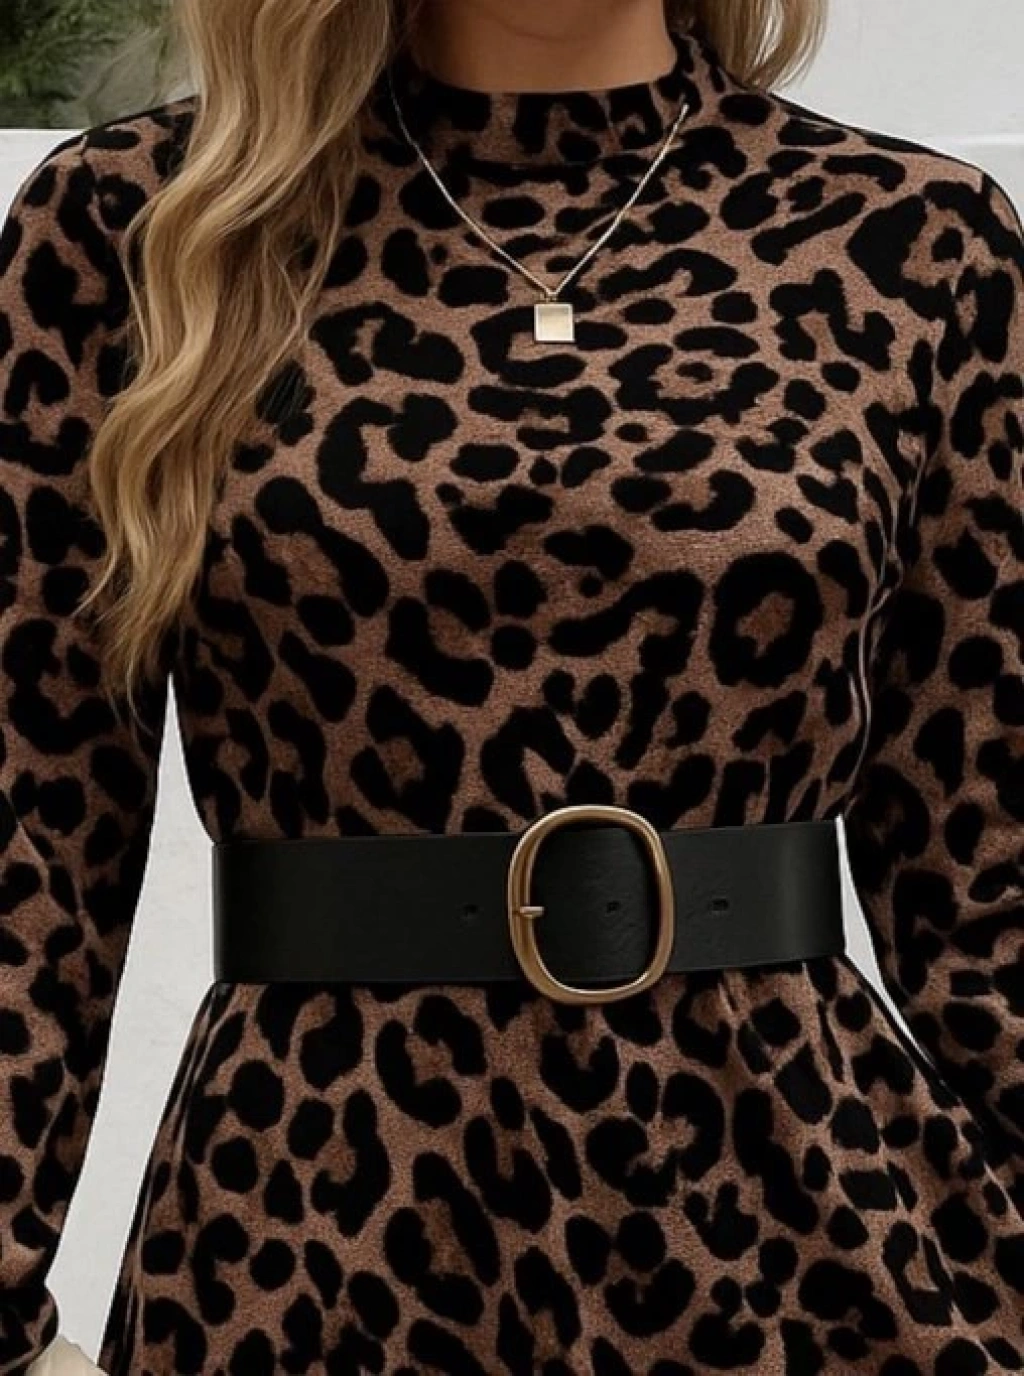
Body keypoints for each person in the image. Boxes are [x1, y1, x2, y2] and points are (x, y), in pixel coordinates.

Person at [1, 0, 1022, 1371]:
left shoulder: (915, 242)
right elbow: (29, 828)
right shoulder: (139, 228)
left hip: (807, 1237)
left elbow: (995, 871)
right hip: (310, 1230)